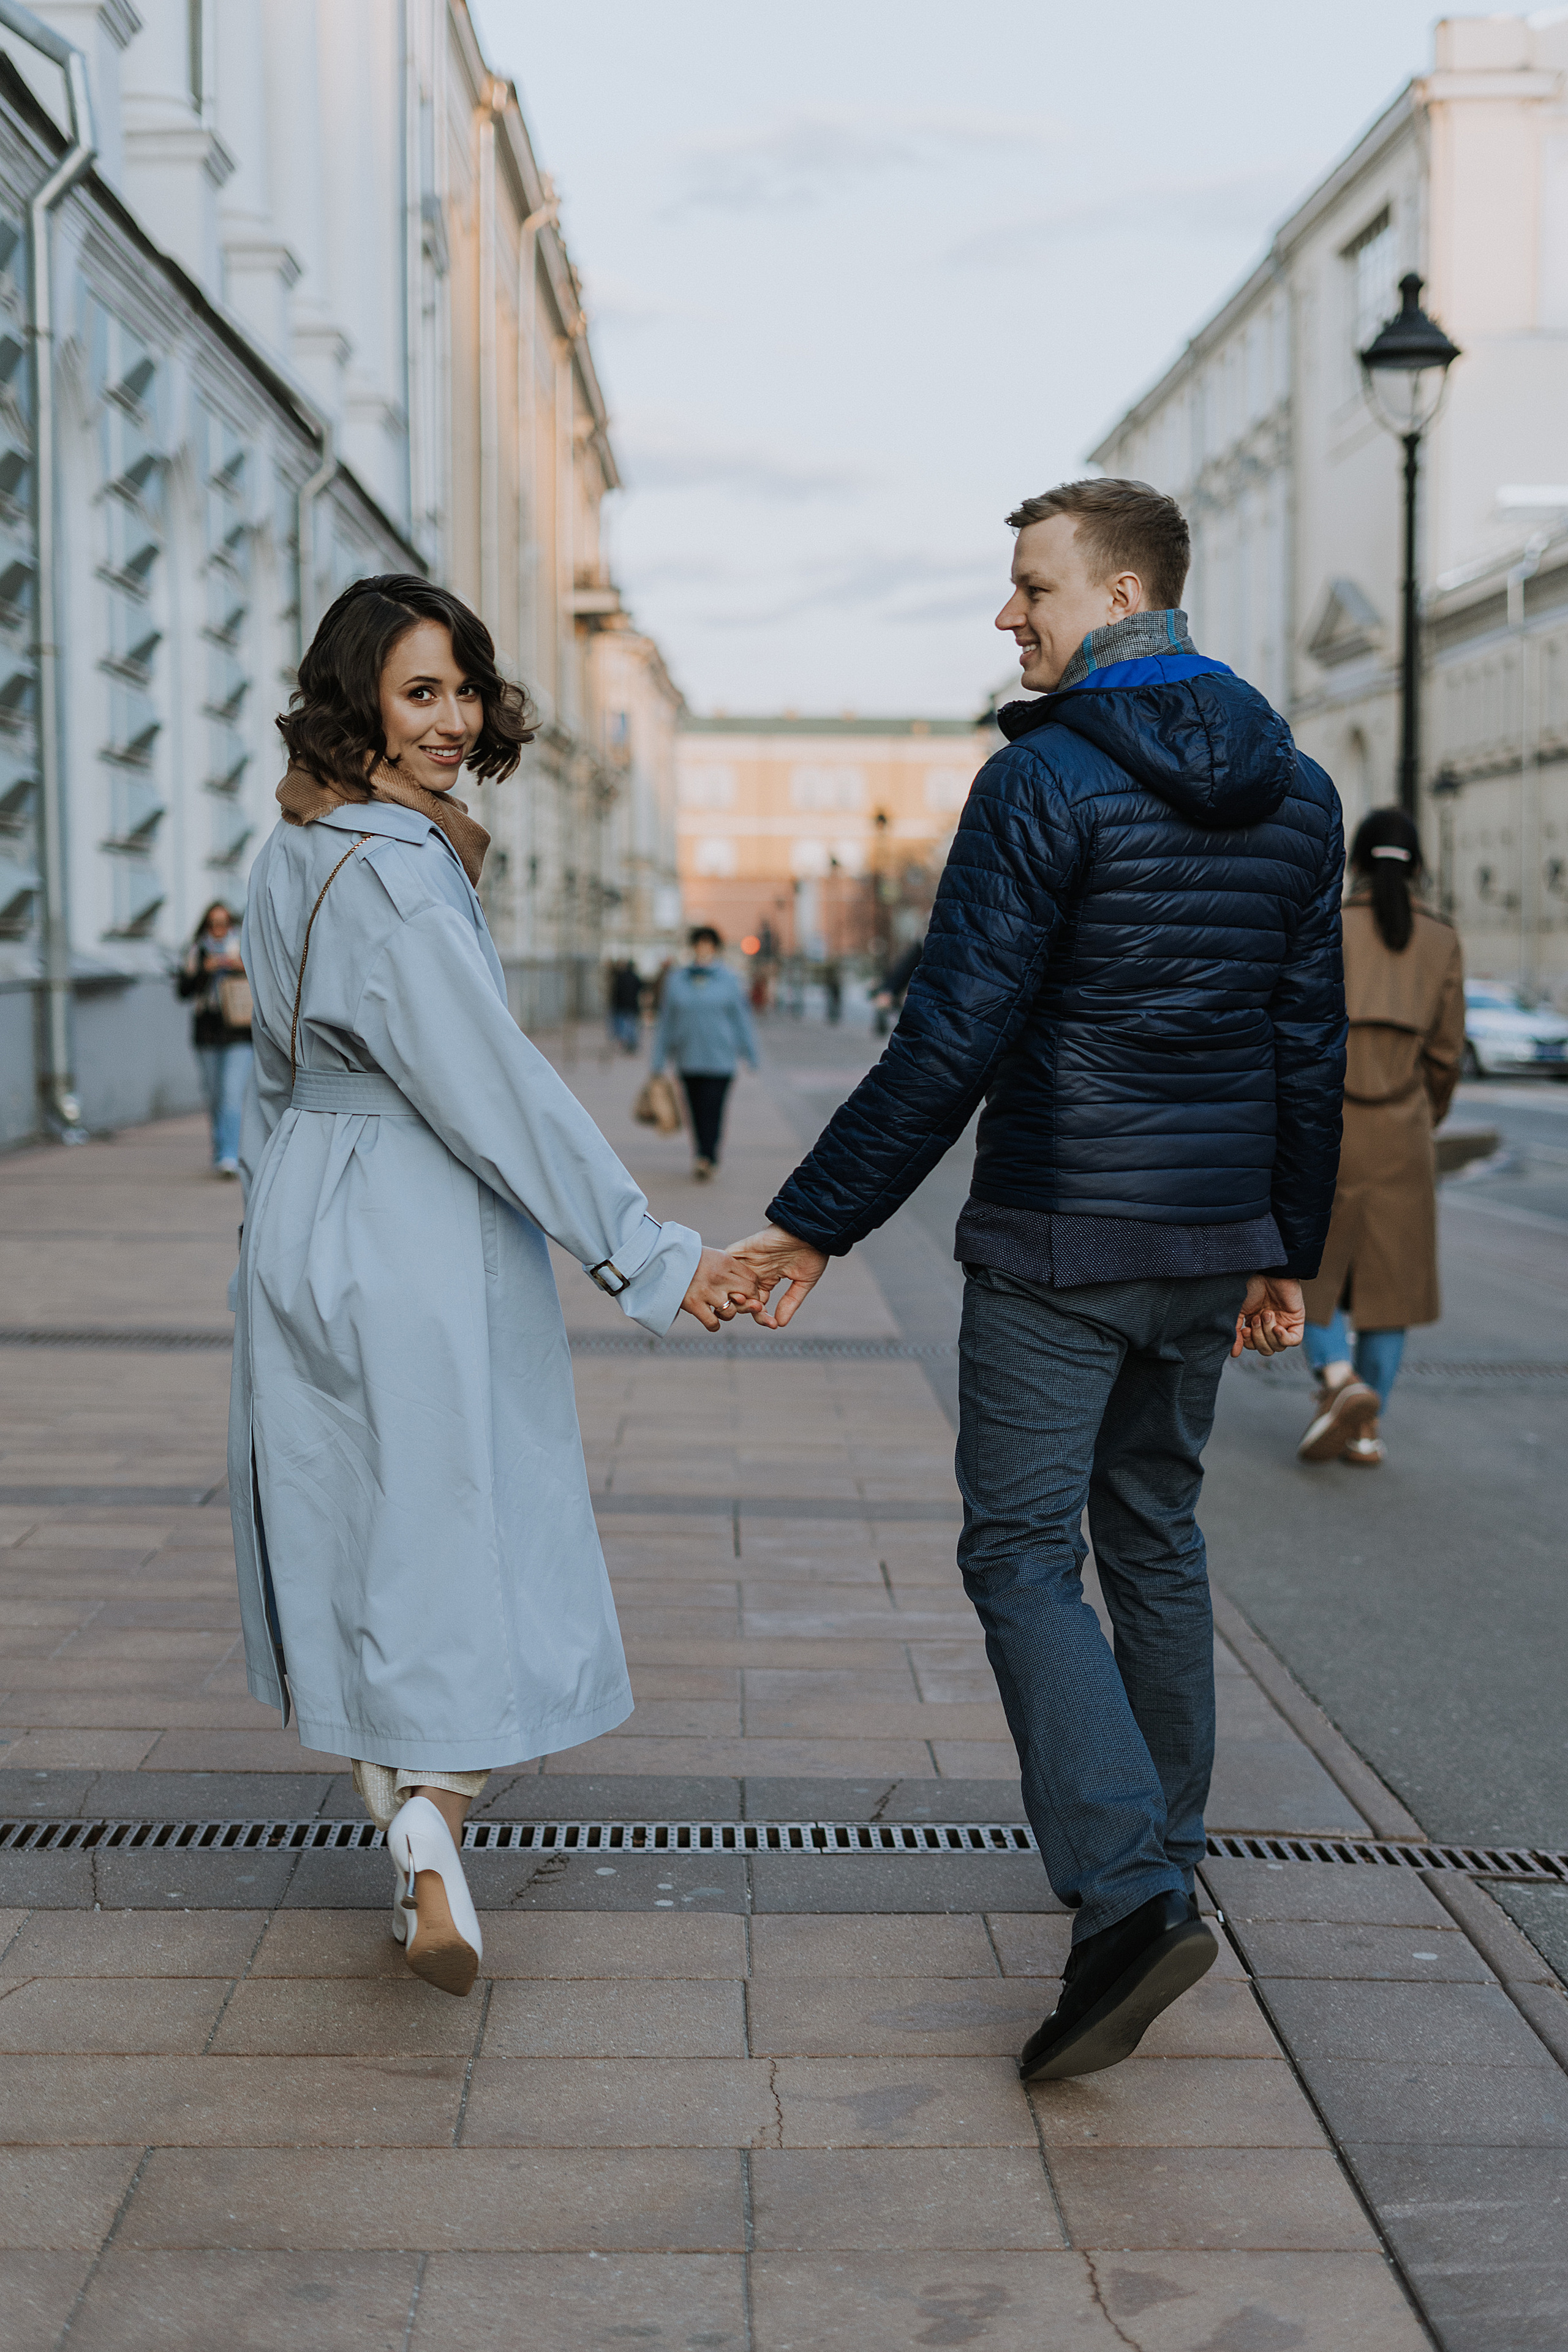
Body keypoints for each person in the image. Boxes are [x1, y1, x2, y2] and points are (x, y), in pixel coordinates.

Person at [728, 479, 1346, 2080]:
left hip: (1063, 1242)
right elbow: (1305, 1047)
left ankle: (1130, 1896)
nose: (1011, 617)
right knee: (1154, 1537)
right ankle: (1167, 1852)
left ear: (1124, 591)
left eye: (1032, 589)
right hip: (1207, 1241)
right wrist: (1284, 1244)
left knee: (1018, 1555)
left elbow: (952, 1039)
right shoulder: (1299, 792)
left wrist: (812, 1224)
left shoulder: (1043, 781)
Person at [228, 576, 763, 1998]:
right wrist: (654, 1259)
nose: (452, 719)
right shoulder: (402, 869)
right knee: (465, 1515)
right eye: (419, 691)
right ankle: (432, 1815)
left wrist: (275, 1205)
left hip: (302, 1205)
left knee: (351, 1522)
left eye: (462, 686)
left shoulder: (291, 845)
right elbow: (496, 1094)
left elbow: (272, 1068)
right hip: (412, 1215)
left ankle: (403, 1833)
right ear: (359, 703)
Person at [1298, 808, 1463, 1466]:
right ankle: (1366, 1431)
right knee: (1391, 1285)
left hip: (1326, 1125)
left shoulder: (1328, 926)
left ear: (1357, 862)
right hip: (1403, 1129)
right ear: (1418, 866)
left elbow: (1298, 1028)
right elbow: (1446, 1056)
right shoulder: (1441, 939)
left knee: (1312, 1267)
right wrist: (1426, 1115)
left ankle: (1339, 1379)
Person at [650, 925, 759, 1179]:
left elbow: (741, 1019)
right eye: (699, 944)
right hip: (688, 1058)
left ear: (715, 948)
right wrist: (657, 1060)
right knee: (695, 1109)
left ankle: (708, 1156)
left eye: (709, 945)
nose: (703, 950)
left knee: (714, 1107)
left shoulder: (729, 980)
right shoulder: (677, 980)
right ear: (693, 947)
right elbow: (666, 1021)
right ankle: (701, 1153)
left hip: (720, 1059)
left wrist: (750, 1054)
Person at [177, 901, 252, 1176]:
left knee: (232, 1096)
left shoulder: (246, 949)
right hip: (207, 1035)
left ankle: (230, 1156)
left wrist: (241, 968)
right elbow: (183, 992)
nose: (219, 929)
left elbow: (267, 983)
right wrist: (203, 971)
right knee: (215, 1097)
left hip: (240, 1034)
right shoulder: (198, 951)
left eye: (224, 923)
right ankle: (220, 1149)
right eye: (213, 924)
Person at [608, 958, 643, 1053]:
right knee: (631, 1026)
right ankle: (631, 1044)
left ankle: (627, 1044)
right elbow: (641, 989)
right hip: (632, 1005)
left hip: (623, 1006)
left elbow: (616, 992)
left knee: (624, 1027)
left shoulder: (621, 977)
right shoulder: (635, 977)